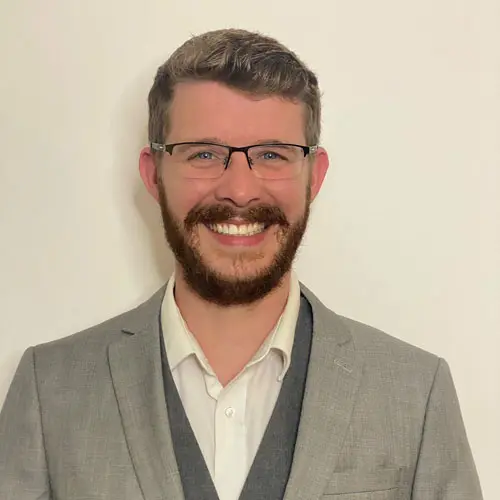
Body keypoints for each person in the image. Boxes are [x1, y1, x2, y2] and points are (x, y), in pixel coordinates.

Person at [0, 28, 482, 500]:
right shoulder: (50, 390)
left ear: (314, 176)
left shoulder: (416, 394)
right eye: (204, 153)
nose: (240, 190)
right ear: (153, 173)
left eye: (272, 154)